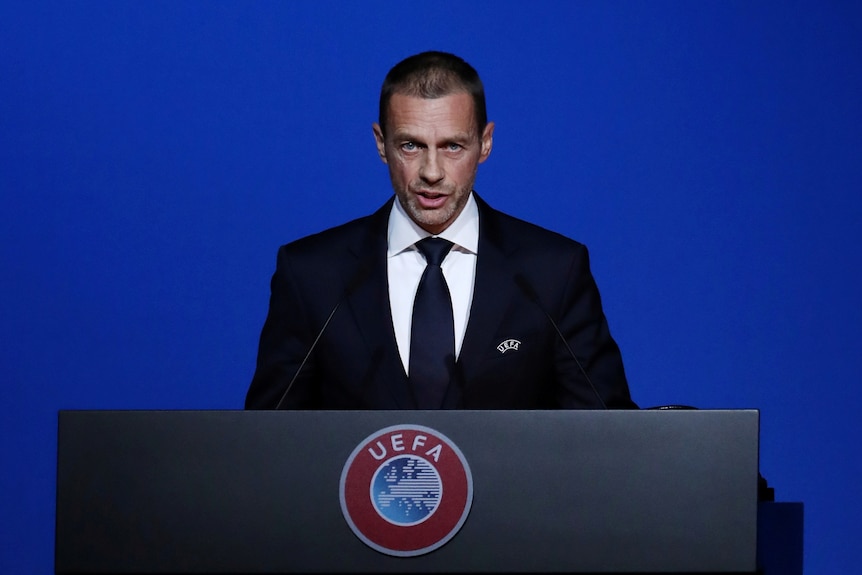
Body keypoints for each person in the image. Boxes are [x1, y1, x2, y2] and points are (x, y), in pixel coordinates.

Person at [245, 51, 637, 410]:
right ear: (381, 144)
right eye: (411, 146)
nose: (431, 172)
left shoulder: (553, 272)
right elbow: (268, 446)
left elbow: (606, 436)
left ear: (485, 143)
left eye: (452, 146)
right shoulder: (313, 274)